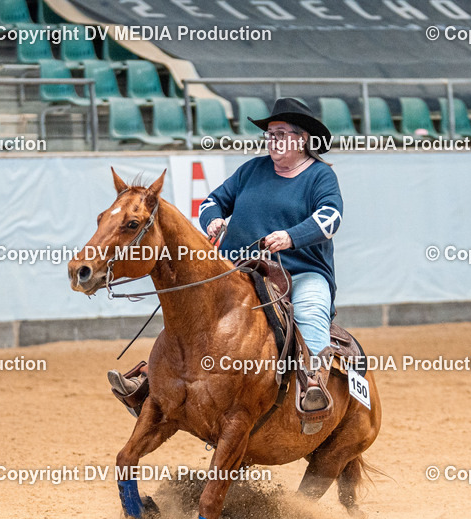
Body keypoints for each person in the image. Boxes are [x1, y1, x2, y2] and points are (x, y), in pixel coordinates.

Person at [109, 97, 344, 431]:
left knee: (311, 310)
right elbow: (212, 200)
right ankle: (156, 382)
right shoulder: (252, 169)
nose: (272, 140)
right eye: (270, 134)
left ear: (301, 138)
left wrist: (291, 236)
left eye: (280, 133)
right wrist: (214, 220)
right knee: (194, 311)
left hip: (300, 272)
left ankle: (313, 386)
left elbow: (330, 218)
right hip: (240, 269)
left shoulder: (320, 177)